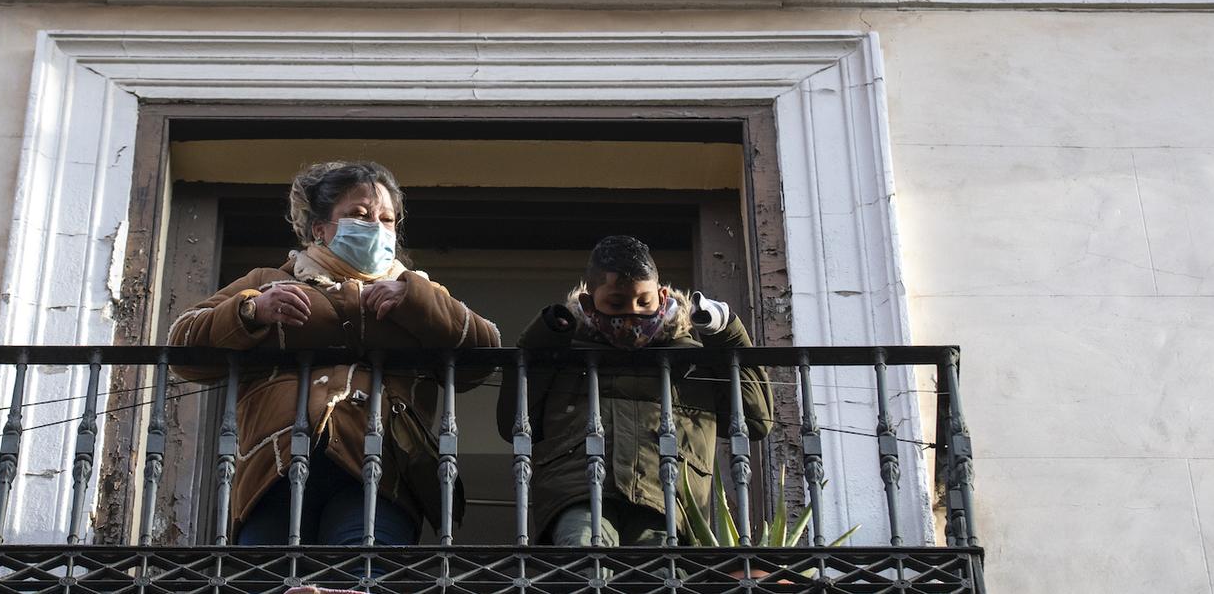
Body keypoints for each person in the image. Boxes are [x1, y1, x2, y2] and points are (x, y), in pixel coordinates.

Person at [167, 160, 501, 546]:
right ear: (320, 230)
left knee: (364, 575)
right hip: (275, 470)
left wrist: (415, 299)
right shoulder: (268, 282)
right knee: (268, 578)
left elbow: (485, 352)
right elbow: (182, 346)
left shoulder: (420, 293)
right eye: (359, 214)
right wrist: (251, 310)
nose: (375, 227)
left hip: (380, 468)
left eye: (387, 219)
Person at [496, 234, 773, 547]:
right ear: (589, 304)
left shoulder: (689, 358)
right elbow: (514, 423)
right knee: (585, 562)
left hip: (667, 501)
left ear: (662, 295)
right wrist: (543, 340)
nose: (633, 314)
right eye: (616, 303)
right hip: (579, 493)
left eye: (644, 302)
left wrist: (727, 335)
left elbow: (754, 421)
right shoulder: (565, 354)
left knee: (656, 579)